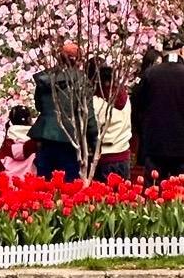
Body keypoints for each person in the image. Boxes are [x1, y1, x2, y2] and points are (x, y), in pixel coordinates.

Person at [131, 36, 184, 180]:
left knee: (154, 193)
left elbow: (137, 108)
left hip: (155, 145)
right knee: (182, 194)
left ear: (162, 52)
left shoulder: (149, 74)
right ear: (182, 51)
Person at [30, 41, 95, 181]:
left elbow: (39, 106)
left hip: (46, 136)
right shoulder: (81, 81)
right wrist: (95, 143)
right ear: (77, 60)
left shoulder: (45, 80)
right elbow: (87, 115)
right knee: (69, 187)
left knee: (44, 185)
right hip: (70, 139)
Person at [90, 61, 132, 180]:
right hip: (123, 154)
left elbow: (91, 129)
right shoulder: (125, 97)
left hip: (104, 157)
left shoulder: (95, 102)